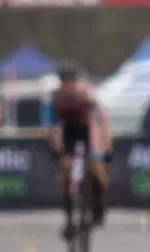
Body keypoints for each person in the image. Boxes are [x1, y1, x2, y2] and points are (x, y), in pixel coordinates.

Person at [48, 60, 113, 238]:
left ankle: (98, 208)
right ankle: (69, 219)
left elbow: (101, 119)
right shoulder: (54, 97)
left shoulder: (87, 94)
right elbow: (52, 127)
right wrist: (59, 152)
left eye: (70, 80)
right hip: (68, 133)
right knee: (65, 175)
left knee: (97, 172)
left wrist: (105, 143)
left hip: (87, 131)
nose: (67, 84)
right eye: (64, 80)